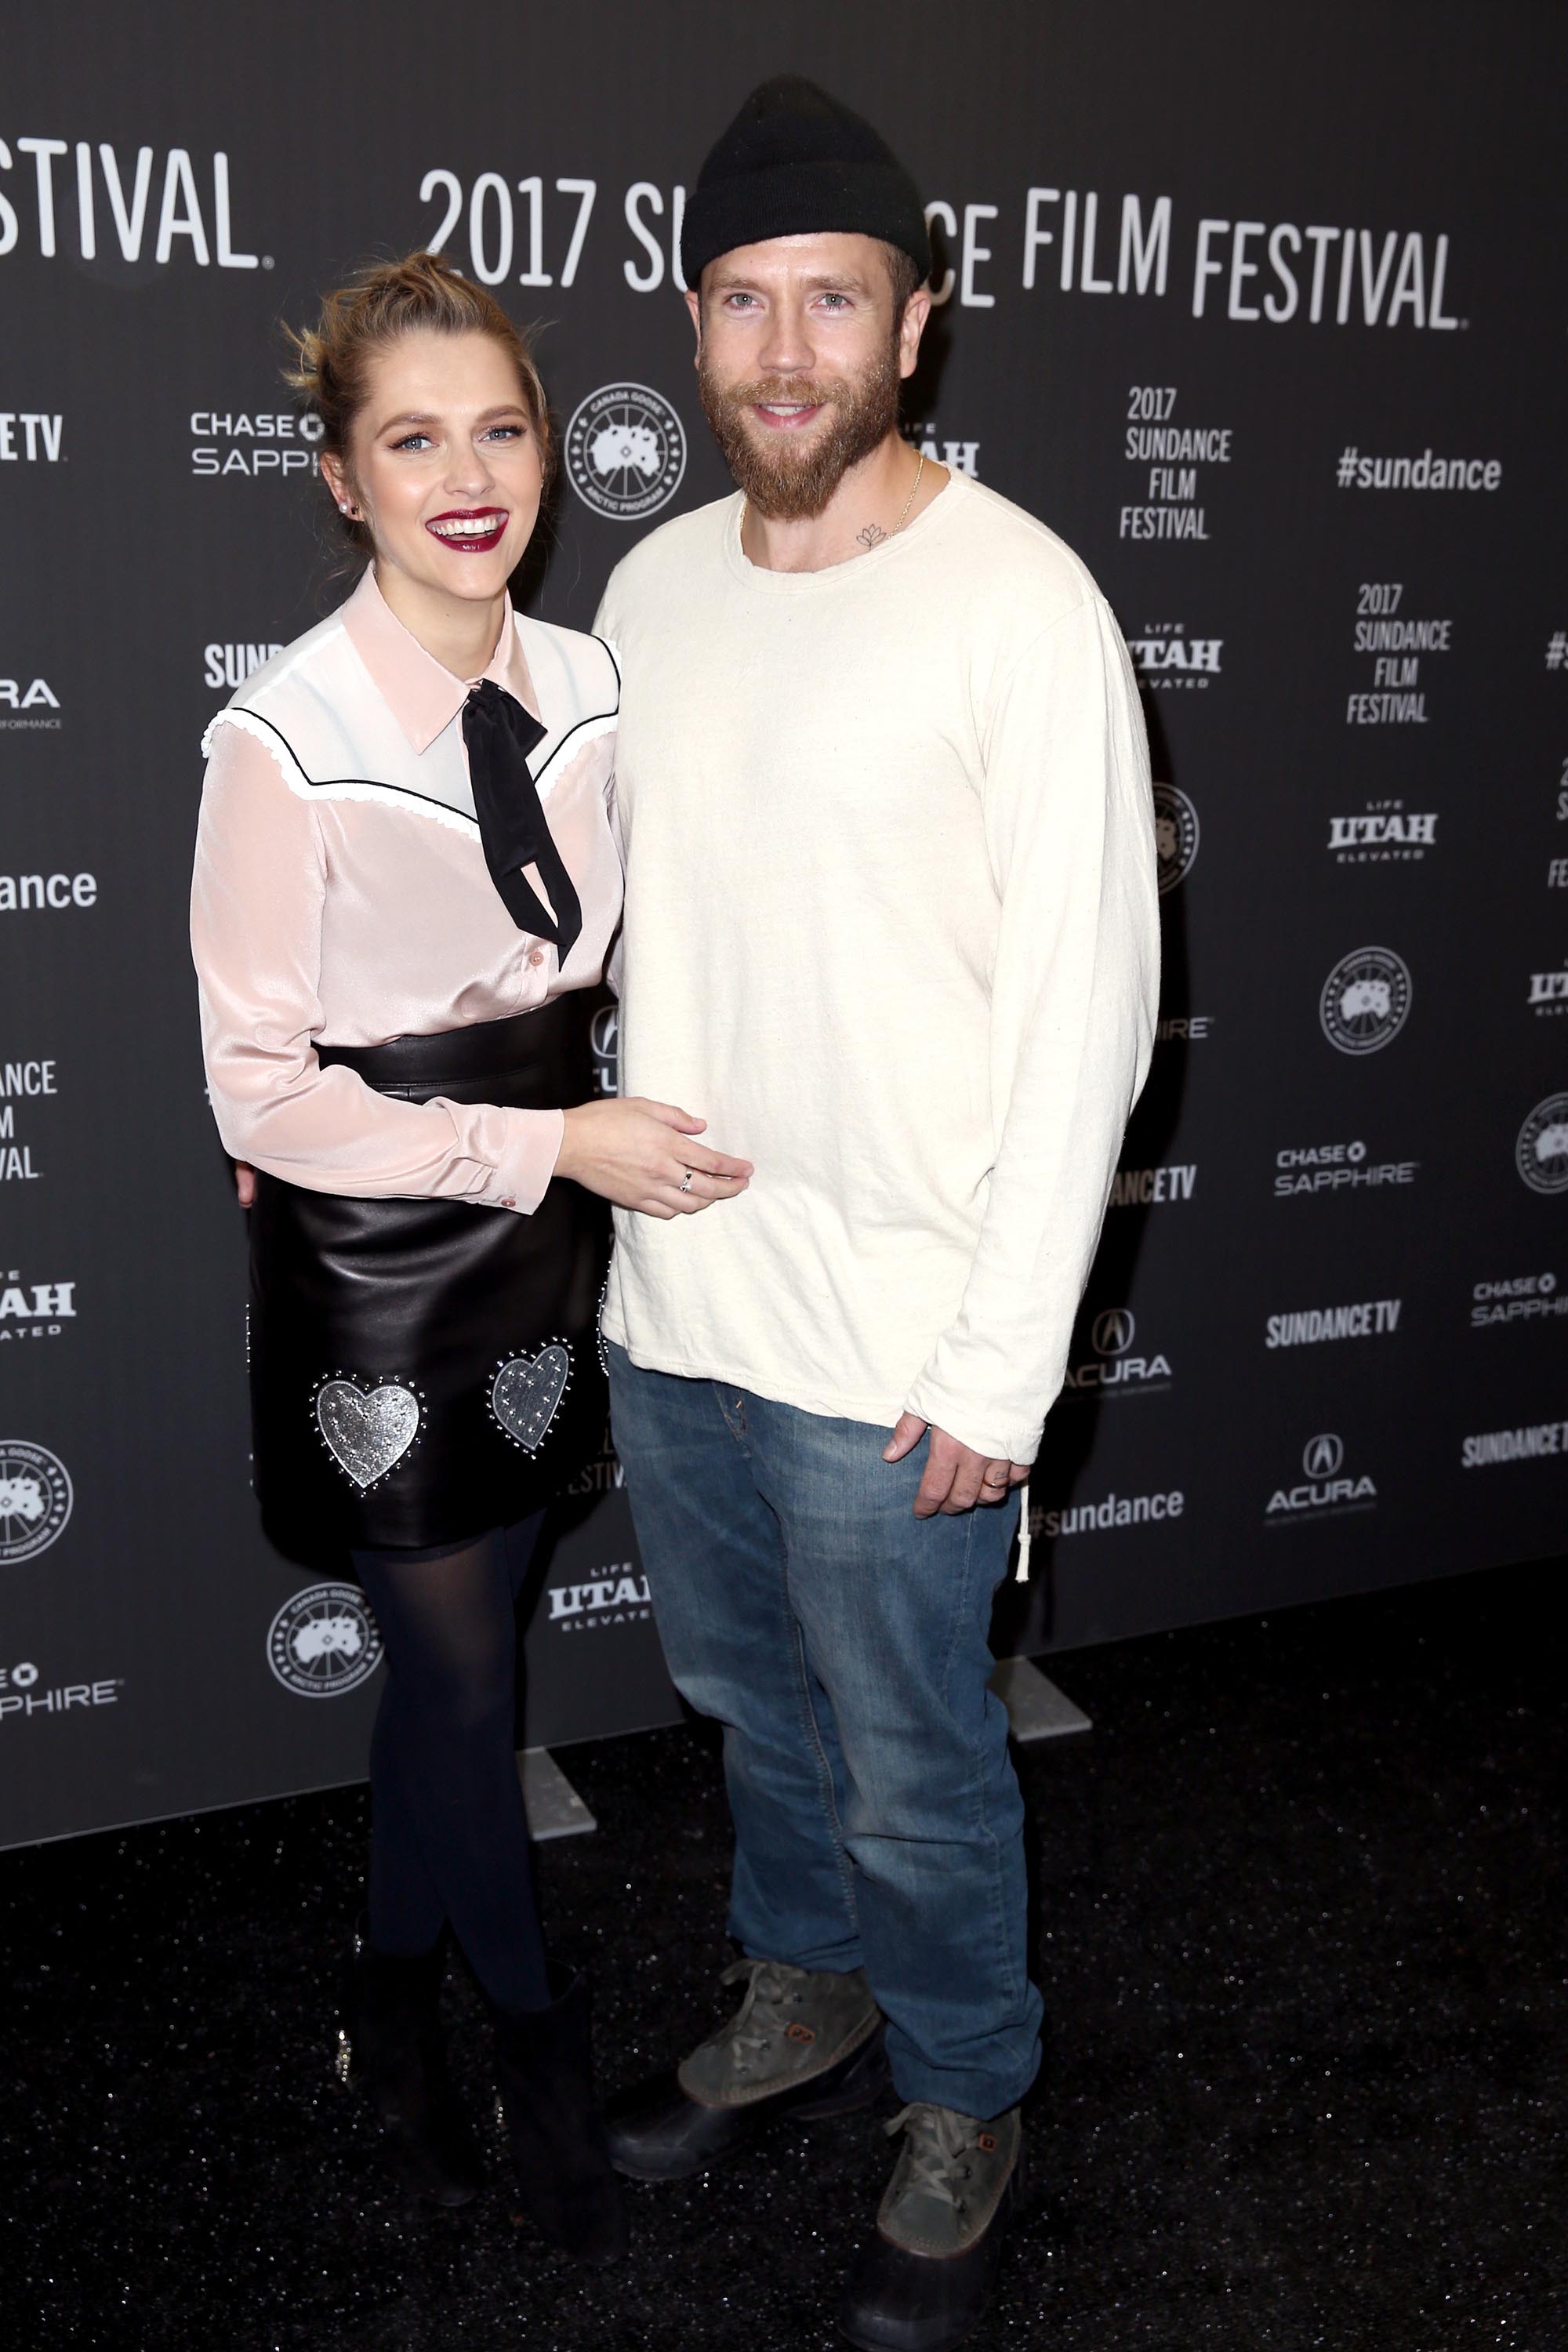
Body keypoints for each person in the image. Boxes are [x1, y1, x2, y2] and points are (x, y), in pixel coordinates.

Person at [596, 78, 1160, 2351]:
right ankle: (805, 1988)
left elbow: (1091, 1010)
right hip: (683, 1312)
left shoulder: (1023, 607)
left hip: (904, 1350)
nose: (788, 345)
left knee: (922, 1764)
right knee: (752, 1706)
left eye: (836, 297)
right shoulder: (641, 583)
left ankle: (965, 2088)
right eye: (745, 303)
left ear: (916, 326)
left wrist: (1002, 1366)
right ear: (700, 332)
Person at [189, 252, 750, 2264]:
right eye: (411, 438)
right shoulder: (285, 734)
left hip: (544, 1241)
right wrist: (551, 1143)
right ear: (341, 476)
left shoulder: (595, 685)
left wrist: (590, 1147)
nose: (467, 475)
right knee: (460, 1681)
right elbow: (261, 1093)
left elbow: (627, 952)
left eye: (499, 428)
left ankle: (384, 2002)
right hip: (382, 1250)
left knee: (455, 1679)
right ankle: (531, 2046)